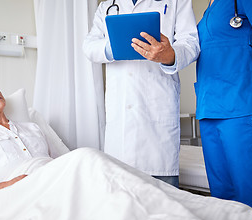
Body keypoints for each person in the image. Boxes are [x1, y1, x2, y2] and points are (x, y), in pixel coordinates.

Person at [83, 0, 200, 187]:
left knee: (165, 206)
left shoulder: (177, 1)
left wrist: (169, 55)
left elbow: (191, 43)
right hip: (120, 127)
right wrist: (114, 46)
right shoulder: (107, 6)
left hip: (157, 128)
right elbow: (89, 46)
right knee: (121, 205)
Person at [195, 0, 252, 209]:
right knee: (222, 200)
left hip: (241, 106)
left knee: (251, 197)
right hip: (209, 110)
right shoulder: (210, 7)